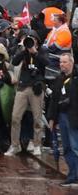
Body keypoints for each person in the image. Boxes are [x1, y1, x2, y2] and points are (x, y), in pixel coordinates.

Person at [8, 35, 47, 156]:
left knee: (37, 118)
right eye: (28, 41)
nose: (30, 44)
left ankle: (37, 144)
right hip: (23, 87)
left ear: (37, 42)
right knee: (15, 117)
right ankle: (15, 145)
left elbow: (46, 64)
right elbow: (14, 62)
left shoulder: (42, 52)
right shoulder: (23, 53)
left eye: (33, 41)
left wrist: (35, 53)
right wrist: (24, 50)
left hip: (36, 88)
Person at [47, 52, 78, 186]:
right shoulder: (59, 79)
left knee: (75, 146)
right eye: (60, 62)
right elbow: (54, 100)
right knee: (66, 147)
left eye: (64, 62)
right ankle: (72, 175)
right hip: (62, 116)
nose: (61, 65)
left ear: (71, 62)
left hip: (74, 116)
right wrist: (51, 118)